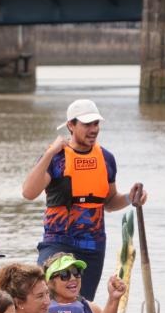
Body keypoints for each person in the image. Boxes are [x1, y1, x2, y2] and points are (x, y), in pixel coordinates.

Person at [21, 99, 147, 302]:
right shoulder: (56, 158)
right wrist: (50, 152)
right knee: (43, 297)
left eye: (96, 123)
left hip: (92, 246)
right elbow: (28, 192)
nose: (93, 129)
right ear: (71, 125)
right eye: (87, 124)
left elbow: (109, 202)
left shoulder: (106, 158)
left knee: (81, 304)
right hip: (57, 241)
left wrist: (129, 198)